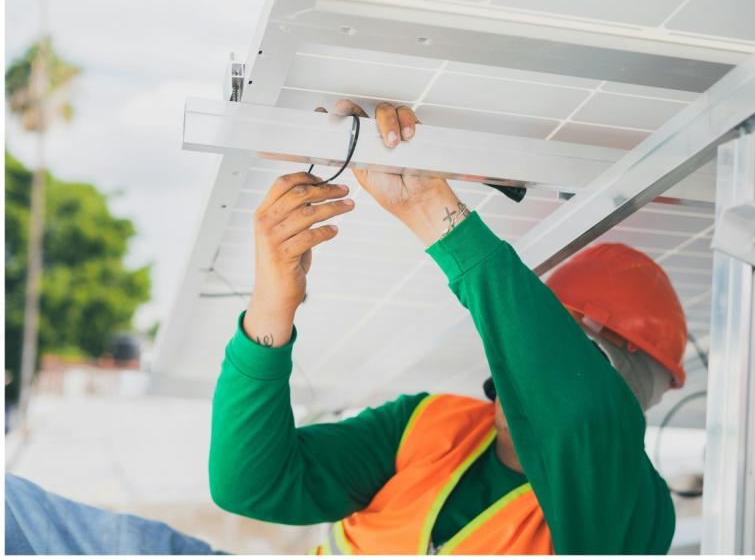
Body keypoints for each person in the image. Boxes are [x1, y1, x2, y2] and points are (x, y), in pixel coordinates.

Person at [5, 99, 686, 555]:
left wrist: (431, 211)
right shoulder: (435, 426)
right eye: (544, 328)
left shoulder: (633, 511)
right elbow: (253, 483)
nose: (532, 353)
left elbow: (576, 415)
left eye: (570, 338)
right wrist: (272, 303)